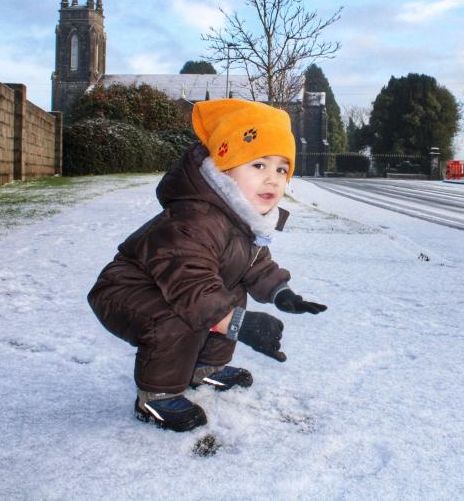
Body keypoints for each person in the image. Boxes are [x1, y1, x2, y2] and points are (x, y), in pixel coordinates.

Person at [87, 98, 326, 433]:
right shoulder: (195, 218)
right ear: (225, 168)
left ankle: (205, 369)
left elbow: (253, 264)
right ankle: (155, 397)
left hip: (176, 289)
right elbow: (190, 286)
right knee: (183, 314)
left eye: (281, 169)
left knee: (231, 289)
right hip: (127, 292)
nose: (272, 179)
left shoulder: (241, 217)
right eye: (258, 165)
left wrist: (281, 292)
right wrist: (241, 324)